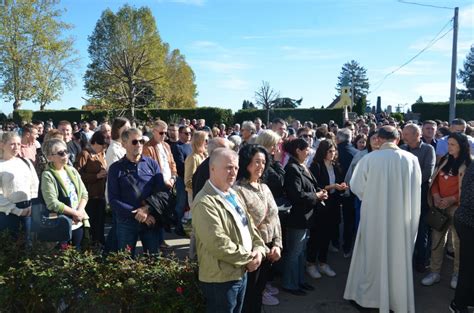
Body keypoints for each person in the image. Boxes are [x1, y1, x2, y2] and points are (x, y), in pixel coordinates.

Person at [344, 126, 421, 313]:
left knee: (371, 256)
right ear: (398, 139)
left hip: (374, 216)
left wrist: (372, 196)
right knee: (397, 256)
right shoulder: (412, 160)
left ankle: (369, 298)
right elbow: (417, 186)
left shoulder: (369, 159)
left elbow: (355, 186)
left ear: (379, 139)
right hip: (402, 218)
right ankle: (397, 300)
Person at [192, 148, 266, 313]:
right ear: (212, 169)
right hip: (221, 279)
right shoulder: (204, 202)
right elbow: (218, 243)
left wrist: (259, 249)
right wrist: (248, 258)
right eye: (228, 167)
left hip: (240, 272)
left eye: (236, 168)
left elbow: (250, 227)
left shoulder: (232, 193)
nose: (233, 172)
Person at [234, 144, 283, 311]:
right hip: (251, 252)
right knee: (248, 296)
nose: (260, 166)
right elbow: (241, 224)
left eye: (263, 162)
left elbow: (275, 218)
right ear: (246, 162)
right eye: (256, 161)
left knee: (259, 293)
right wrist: (258, 248)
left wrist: (277, 244)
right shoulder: (238, 190)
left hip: (269, 250)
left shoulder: (265, 187)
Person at [422, 132, 472, 289]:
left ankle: (457, 274)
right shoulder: (444, 159)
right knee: (437, 240)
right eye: (448, 143)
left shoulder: (470, 164)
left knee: (458, 243)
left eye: (453, 144)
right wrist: (436, 196)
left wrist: (452, 199)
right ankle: (435, 272)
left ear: (462, 146)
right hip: (439, 208)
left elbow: (469, 189)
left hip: (458, 209)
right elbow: (435, 180)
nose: (448, 147)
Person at [107, 128, 165, 256]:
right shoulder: (115, 169)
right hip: (126, 222)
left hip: (151, 219)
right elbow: (113, 200)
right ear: (124, 144)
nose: (139, 145)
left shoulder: (152, 164)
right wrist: (137, 214)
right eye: (134, 142)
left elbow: (161, 193)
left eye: (141, 141)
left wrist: (147, 210)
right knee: (125, 261)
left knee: (153, 259)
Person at [282, 138, 327, 296]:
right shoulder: (292, 168)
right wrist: (316, 195)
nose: (309, 152)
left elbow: (310, 186)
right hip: (298, 217)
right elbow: (297, 195)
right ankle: (290, 283)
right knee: (295, 252)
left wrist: (320, 192)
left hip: (306, 216)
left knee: (301, 252)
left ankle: (299, 281)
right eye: (306, 149)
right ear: (298, 151)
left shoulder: (301, 166)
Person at [307, 139, 348, 278]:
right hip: (320, 205)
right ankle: (311, 263)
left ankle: (323, 263)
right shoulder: (316, 166)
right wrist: (332, 186)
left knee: (328, 235)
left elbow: (339, 182)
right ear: (323, 152)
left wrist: (342, 187)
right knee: (316, 236)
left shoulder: (336, 165)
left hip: (334, 204)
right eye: (330, 151)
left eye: (334, 151)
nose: (333, 153)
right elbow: (315, 187)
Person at [41, 139, 90, 249]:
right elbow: (52, 203)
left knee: (78, 255)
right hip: (61, 223)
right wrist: (75, 213)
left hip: (78, 222)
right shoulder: (47, 175)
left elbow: (84, 193)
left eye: (66, 151)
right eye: (61, 153)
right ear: (50, 157)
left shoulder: (72, 170)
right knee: (62, 260)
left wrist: (80, 212)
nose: (66, 155)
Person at [401, 123, 436, 273]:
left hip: (421, 194)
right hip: (403, 194)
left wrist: (409, 183)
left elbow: (427, 172)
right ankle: (405, 259)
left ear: (417, 135)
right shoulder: (402, 149)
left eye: (406, 134)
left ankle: (421, 261)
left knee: (421, 228)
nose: (403, 137)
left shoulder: (428, 149)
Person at [0, 132, 39, 238]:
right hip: (7, 212)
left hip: (29, 209)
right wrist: (17, 210)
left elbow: (34, 183)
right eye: (12, 144)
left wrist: (32, 206)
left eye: (18, 144)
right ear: (2, 145)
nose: (16, 147)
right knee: (11, 247)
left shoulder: (25, 161)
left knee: (28, 245)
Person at [75, 131, 108, 246]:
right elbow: (77, 176)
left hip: (100, 195)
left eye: (105, 147)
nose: (103, 149)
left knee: (100, 225)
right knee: (91, 226)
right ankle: (90, 247)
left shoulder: (100, 154)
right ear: (94, 142)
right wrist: (96, 176)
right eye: (102, 146)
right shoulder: (84, 154)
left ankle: (100, 245)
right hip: (89, 197)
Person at [450, 162, 474, 313]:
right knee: (468, 267)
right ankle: (458, 304)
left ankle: (469, 300)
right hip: (468, 223)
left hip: (467, 220)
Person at [336, 128, 359, 258]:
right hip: (353, 189)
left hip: (337, 189)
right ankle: (348, 247)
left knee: (341, 219)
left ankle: (338, 244)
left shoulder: (335, 152)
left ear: (338, 139)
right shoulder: (357, 153)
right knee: (350, 220)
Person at [171, 125, 193, 236]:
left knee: (188, 205)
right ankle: (178, 227)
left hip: (190, 179)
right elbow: (180, 165)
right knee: (180, 204)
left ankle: (185, 226)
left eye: (190, 133)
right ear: (180, 134)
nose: (189, 135)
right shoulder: (177, 147)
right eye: (186, 133)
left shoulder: (190, 146)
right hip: (182, 179)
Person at [184, 131, 208, 206]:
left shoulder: (204, 155)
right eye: (206, 140)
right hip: (195, 194)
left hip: (204, 193)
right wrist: (199, 188)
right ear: (199, 141)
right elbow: (188, 180)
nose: (208, 143)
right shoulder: (193, 158)